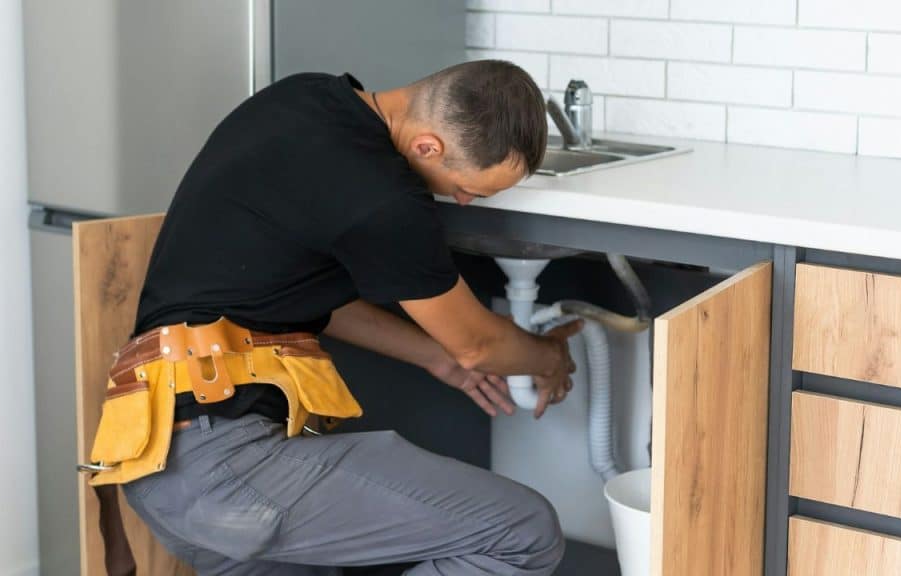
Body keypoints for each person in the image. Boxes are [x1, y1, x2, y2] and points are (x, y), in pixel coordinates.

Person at [100, 60, 582, 575]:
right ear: (428, 147)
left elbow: (301, 298)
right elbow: (478, 345)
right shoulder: (386, 198)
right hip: (229, 465)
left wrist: (436, 359)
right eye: (470, 189)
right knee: (523, 532)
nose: (462, 201)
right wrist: (548, 358)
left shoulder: (302, 100)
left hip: (157, 463)